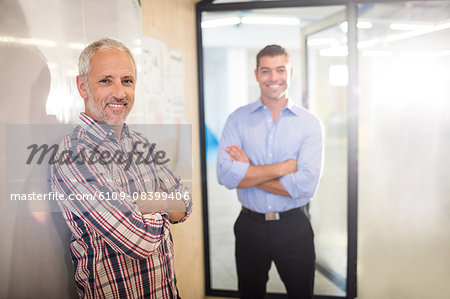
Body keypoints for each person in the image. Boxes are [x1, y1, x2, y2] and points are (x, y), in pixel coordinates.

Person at [51, 38, 192, 299]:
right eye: (106, 80)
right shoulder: (74, 155)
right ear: (83, 86)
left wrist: (144, 205)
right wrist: (164, 203)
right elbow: (139, 240)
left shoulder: (141, 143)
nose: (119, 92)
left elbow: (186, 202)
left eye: (127, 81)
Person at [217, 44, 323, 299]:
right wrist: (285, 168)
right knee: (250, 294)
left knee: (301, 294)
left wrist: (249, 172)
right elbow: (225, 175)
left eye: (280, 70)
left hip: (294, 227)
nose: (273, 78)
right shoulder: (237, 120)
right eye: (266, 71)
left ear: (291, 72)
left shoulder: (309, 124)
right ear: (256, 75)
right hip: (249, 226)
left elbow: (305, 185)